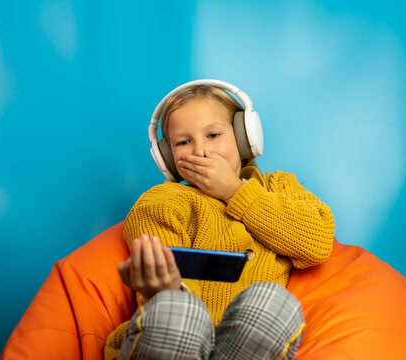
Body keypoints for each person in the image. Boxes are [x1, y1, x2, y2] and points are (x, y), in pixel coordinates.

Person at [104, 80, 335, 359]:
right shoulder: (163, 201)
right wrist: (163, 287)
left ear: (244, 137)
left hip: (243, 345)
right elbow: (163, 298)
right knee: (180, 311)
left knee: (275, 304)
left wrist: (235, 191)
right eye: (183, 142)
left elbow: (317, 243)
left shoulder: (278, 187)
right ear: (167, 156)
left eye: (213, 135)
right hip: (174, 338)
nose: (201, 151)